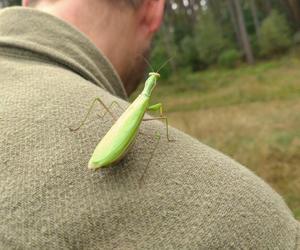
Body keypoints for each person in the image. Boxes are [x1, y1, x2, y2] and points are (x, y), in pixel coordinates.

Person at [0, 0, 299, 249]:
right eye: (154, 77)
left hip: (115, 138)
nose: (153, 78)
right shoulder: (268, 229)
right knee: (154, 123)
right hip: (112, 148)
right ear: (152, 10)